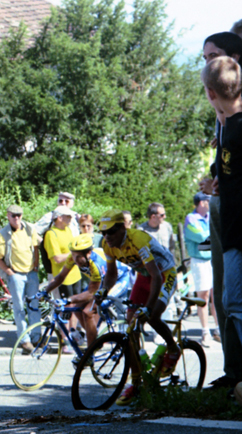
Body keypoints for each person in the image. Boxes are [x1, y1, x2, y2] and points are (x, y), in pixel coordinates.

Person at [98, 210, 180, 405]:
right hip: (144, 278)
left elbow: (157, 277)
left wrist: (149, 307)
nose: (107, 236)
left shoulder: (138, 239)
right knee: (131, 325)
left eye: (111, 231)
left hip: (164, 275)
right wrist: (102, 290)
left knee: (152, 316)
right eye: (103, 232)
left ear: (122, 228)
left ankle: (173, 348)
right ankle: (136, 382)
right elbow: (111, 274)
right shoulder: (107, 245)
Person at [198, 32, 242, 392]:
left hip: (236, 214)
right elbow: (226, 159)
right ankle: (233, 370)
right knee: (225, 292)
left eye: (215, 55)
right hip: (222, 207)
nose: (208, 62)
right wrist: (214, 178)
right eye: (204, 56)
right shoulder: (219, 107)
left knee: (235, 297)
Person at [43, 234, 131, 353]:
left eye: (78, 256)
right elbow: (60, 277)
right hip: (101, 282)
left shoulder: (95, 263)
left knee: (88, 311)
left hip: (119, 280)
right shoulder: (73, 257)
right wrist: (44, 292)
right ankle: (95, 339)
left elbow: (91, 293)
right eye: (73, 255)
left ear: (88, 253)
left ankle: (91, 351)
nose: (75, 259)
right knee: (77, 308)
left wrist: (68, 300)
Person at [0, 204, 41, 354]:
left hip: (30, 273)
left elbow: (36, 246)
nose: (17, 218)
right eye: (13, 215)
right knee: (19, 308)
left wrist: (36, 265)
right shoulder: (4, 234)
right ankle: (24, 339)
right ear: (8, 215)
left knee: (34, 305)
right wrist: (9, 272)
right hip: (16, 274)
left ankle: (36, 336)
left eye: (19, 215)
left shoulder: (29, 229)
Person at [184, 192, 219, 347]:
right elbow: (202, 237)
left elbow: (216, 235)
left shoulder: (210, 216)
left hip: (213, 259)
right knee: (203, 296)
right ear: (200, 202)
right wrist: (212, 239)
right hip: (199, 261)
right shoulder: (190, 219)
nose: (209, 202)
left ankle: (218, 329)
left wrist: (211, 239)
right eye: (207, 200)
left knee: (216, 295)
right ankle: (205, 331)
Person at [45, 205, 82, 348]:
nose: (71, 218)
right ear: (59, 218)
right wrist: (74, 254)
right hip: (63, 277)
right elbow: (56, 258)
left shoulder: (68, 230)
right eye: (68, 216)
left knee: (75, 307)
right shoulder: (51, 234)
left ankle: (72, 336)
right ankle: (64, 341)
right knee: (65, 309)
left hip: (75, 274)